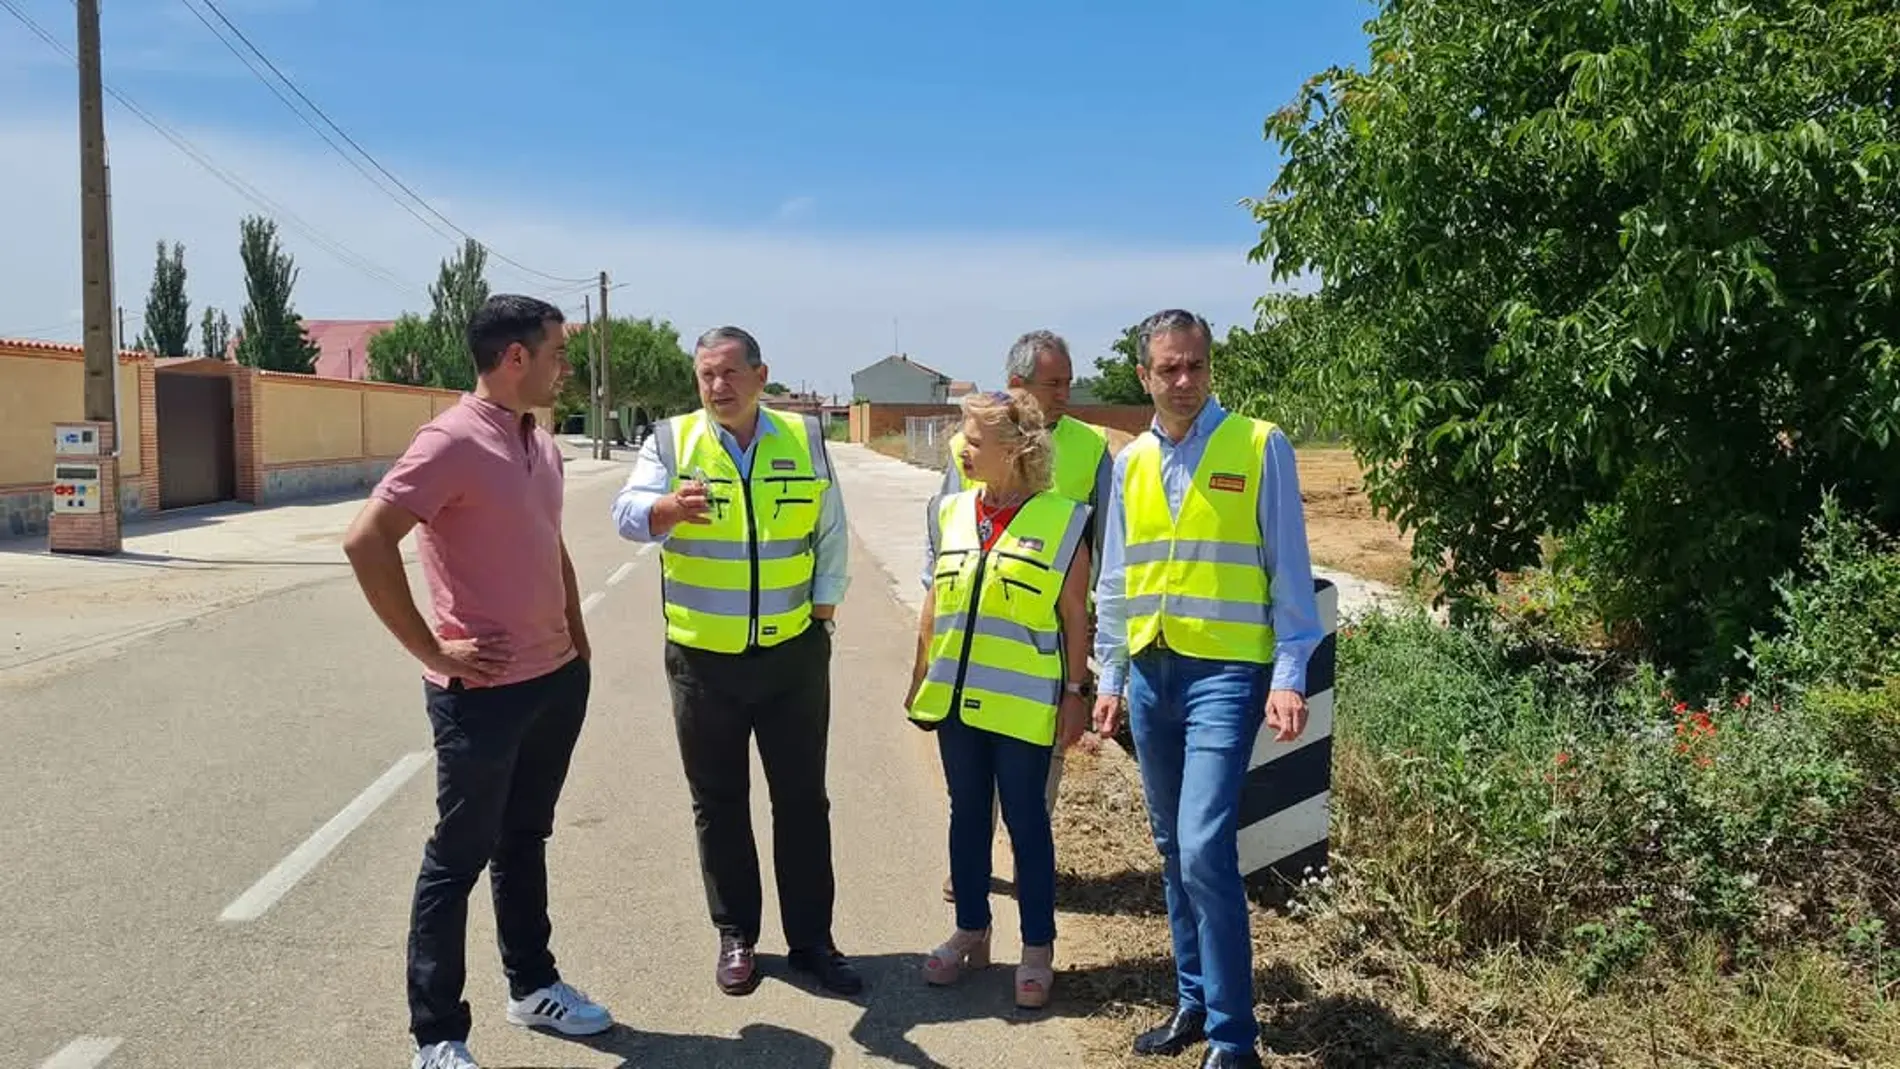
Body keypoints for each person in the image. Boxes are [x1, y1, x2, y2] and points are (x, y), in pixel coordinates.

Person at [342, 295, 613, 1069]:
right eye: (557, 352)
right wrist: (431, 646)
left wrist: (577, 641)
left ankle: (533, 986)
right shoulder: (450, 440)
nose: (566, 366)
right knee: (457, 857)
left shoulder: (539, 438)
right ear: (515, 357)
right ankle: (437, 1035)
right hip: (483, 696)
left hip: (554, 679)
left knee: (524, 838)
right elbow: (366, 540)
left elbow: (548, 541)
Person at [1090, 309, 1323, 1069]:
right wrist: (1110, 673)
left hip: (1226, 676)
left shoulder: (1258, 444)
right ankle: (1192, 1001)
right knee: (1172, 848)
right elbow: (1116, 579)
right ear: (1144, 376)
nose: (1184, 380)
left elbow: (1289, 570)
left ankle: (1233, 1038)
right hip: (1151, 673)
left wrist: (1290, 674)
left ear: (1209, 367)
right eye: (1169, 368)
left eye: (1196, 365)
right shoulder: (1130, 463)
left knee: (1202, 847)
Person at [609, 326, 861, 998]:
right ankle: (736, 936)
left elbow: (832, 531)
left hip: (792, 656)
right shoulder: (671, 442)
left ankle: (812, 942)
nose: (717, 386)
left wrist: (824, 610)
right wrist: (664, 508)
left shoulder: (805, 439)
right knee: (718, 803)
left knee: (802, 802)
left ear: (759, 375)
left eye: (728, 373)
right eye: (706, 375)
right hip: (702, 661)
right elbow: (626, 514)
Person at [905, 388, 1093, 1008]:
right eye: (963, 435)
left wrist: (1075, 694)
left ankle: (1037, 947)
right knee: (965, 814)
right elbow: (936, 598)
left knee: (1025, 822)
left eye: (975, 440)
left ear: (1015, 450)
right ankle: (971, 930)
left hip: (1023, 705)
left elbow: (1074, 616)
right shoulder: (951, 511)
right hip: (957, 702)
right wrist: (919, 670)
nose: (962, 448)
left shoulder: (1063, 520)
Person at [931, 329, 1111, 903]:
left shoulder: (1091, 446)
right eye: (1053, 383)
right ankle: (972, 865)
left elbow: (1105, 537)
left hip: (1050, 631)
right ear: (1017, 384)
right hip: (978, 633)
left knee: (1036, 768)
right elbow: (943, 533)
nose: (1065, 393)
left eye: (1068, 381)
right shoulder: (968, 442)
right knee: (972, 770)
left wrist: (1091, 627)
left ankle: (1030, 862)